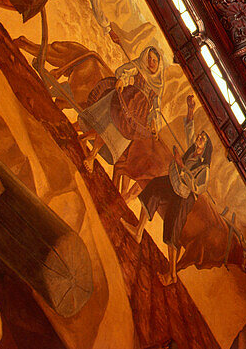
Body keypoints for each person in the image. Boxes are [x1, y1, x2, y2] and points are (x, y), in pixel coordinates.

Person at [128, 97, 212, 284]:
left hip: (184, 197)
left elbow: (198, 187)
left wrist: (182, 168)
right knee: (153, 189)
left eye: (202, 139)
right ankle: (138, 231)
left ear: (205, 148)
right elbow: (189, 129)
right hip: (174, 184)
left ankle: (172, 275)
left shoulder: (204, 168)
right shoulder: (192, 149)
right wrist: (190, 109)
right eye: (200, 136)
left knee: (171, 230)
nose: (199, 138)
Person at [79, 45, 163, 170]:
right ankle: (91, 155)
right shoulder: (140, 68)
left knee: (116, 134)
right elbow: (126, 71)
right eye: (149, 59)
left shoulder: (158, 85)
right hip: (128, 100)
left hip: (139, 115)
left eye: (154, 61)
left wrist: (154, 123)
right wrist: (122, 80)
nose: (151, 62)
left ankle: (85, 138)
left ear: (158, 64)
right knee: (109, 127)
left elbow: (156, 108)